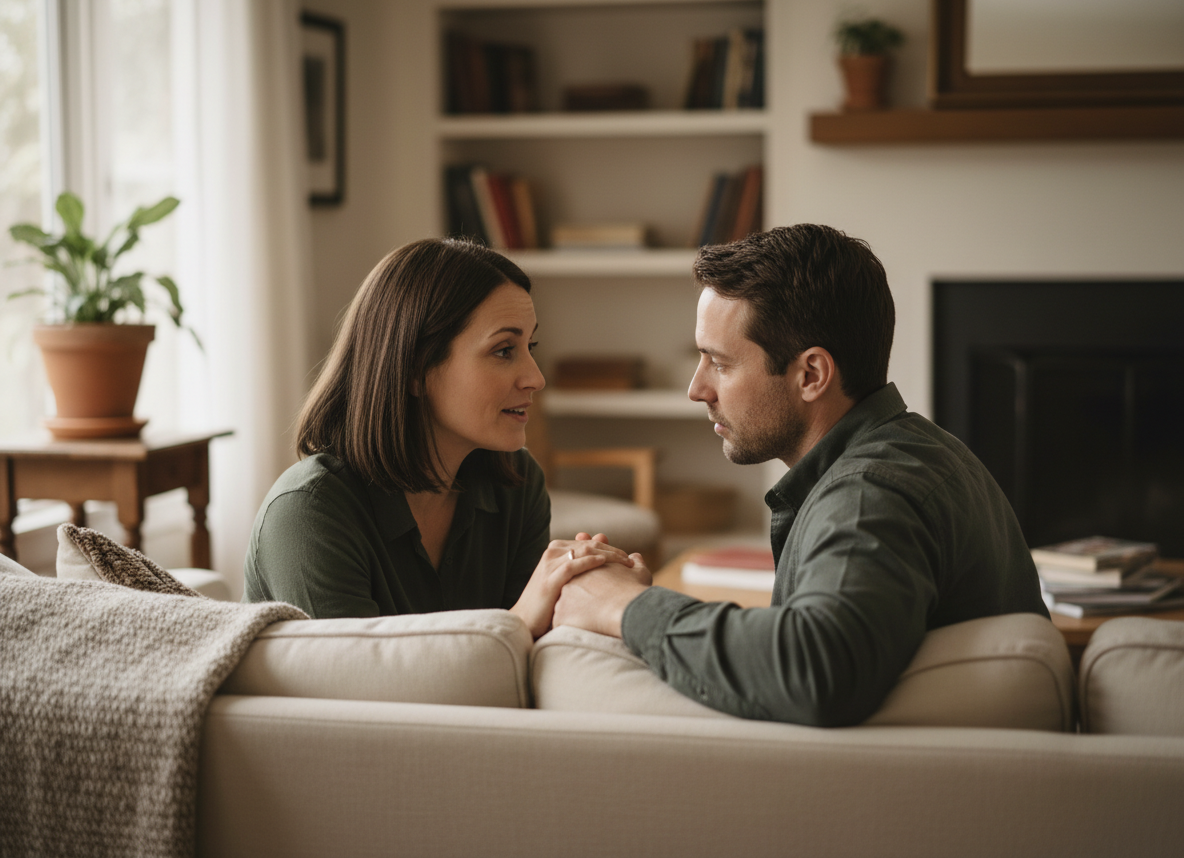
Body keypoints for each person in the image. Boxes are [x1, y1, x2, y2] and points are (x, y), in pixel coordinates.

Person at [553, 223, 1049, 726]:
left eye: (719, 363)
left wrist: (627, 607)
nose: (697, 388)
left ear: (811, 374)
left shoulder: (869, 493)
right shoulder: (920, 452)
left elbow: (814, 669)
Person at [244, 238, 635, 636]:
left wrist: (610, 602)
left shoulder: (516, 483)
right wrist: (517, 621)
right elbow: (359, 688)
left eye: (529, 346)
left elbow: (534, 657)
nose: (536, 378)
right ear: (415, 369)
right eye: (504, 350)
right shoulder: (308, 514)